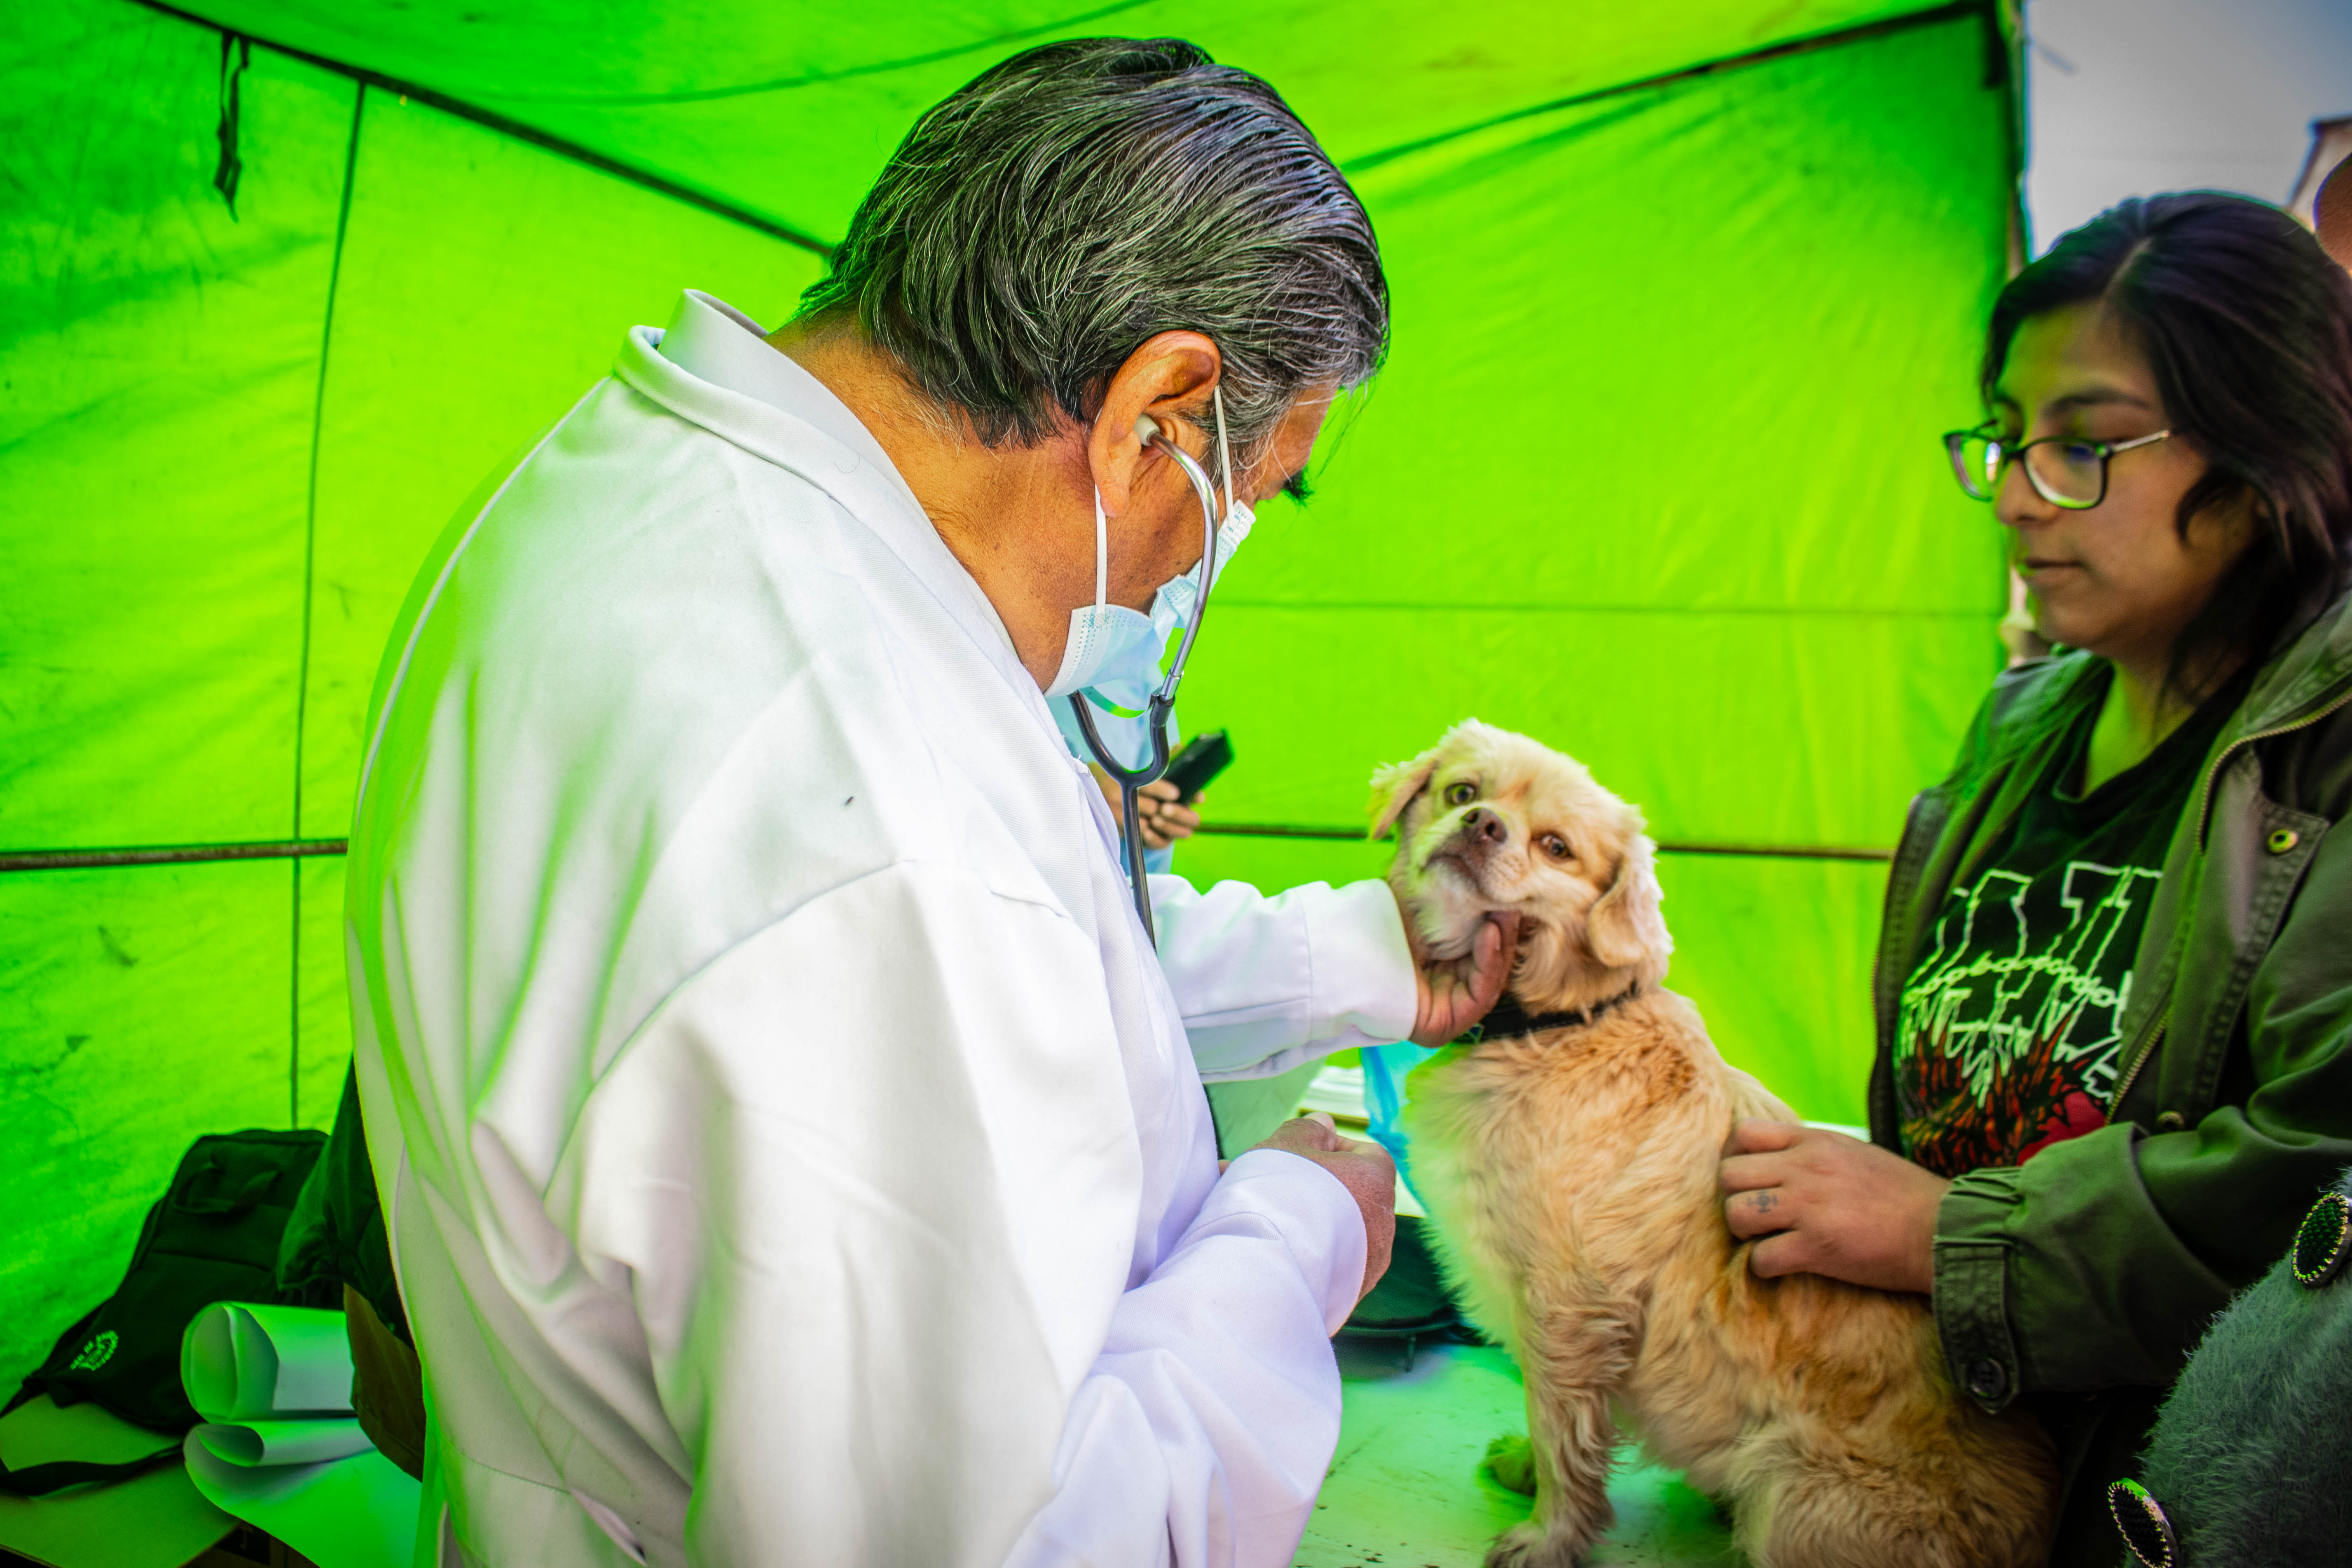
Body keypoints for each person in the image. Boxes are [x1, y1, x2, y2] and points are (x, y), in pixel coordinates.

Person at [342, 38, 1516, 1568]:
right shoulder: (869, 804)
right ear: (1161, 402)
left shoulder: (620, 498)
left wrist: (1356, 963)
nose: (1204, 556)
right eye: (1252, 490)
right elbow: (1032, 1540)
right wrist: (1297, 1230)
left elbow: (995, 995)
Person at [1713, 191, 2352, 1560]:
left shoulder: (2327, 757)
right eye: (2007, 436)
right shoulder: (2024, 725)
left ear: (2259, 453)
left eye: (2084, 444)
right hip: (1929, 1449)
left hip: (2150, 1512)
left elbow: (2323, 1184)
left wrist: (1953, 1236)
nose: (2015, 492)